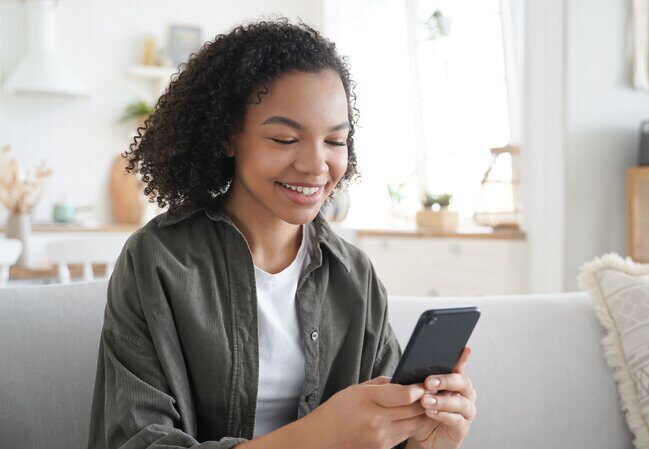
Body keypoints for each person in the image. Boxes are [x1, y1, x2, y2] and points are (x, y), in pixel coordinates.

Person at [87, 18, 477, 449]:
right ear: (228, 137)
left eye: (334, 141)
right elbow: (137, 442)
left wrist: (428, 440)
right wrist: (321, 435)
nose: (316, 165)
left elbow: (385, 431)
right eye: (285, 138)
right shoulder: (156, 262)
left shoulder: (355, 275)